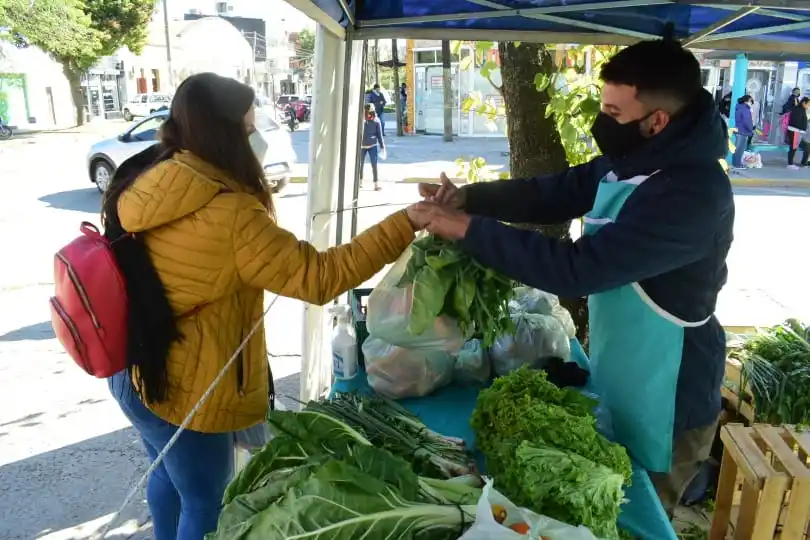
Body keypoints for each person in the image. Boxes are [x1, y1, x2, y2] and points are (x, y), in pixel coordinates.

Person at [100, 72, 428, 540]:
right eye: (249, 130)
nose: (256, 139)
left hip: (134, 370)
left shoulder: (148, 176)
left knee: (168, 479)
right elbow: (320, 278)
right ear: (223, 133)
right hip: (187, 388)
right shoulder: (231, 212)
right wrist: (407, 221)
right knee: (204, 502)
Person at [417, 38, 734, 517]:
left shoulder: (691, 193)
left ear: (657, 121)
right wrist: (471, 200)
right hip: (627, 371)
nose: (601, 121)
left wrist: (466, 230)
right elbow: (558, 192)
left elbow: (577, 269)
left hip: (669, 394)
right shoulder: (639, 159)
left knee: (636, 514)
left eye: (612, 111)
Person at [360, 103, 385, 191]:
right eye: (367, 112)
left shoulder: (376, 121)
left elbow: (380, 135)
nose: (369, 114)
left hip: (372, 145)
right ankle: (360, 181)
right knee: (360, 164)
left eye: (370, 112)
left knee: (374, 164)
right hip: (361, 146)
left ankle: (376, 183)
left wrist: (382, 147)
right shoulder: (361, 120)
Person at [786, 96, 810, 169]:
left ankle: (804, 162)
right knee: (793, 148)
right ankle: (790, 164)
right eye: (808, 104)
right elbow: (795, 122)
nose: (809, 106)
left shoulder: (802, 110)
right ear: (803, 103)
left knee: (807, 146)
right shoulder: (797, 109)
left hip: (800, 133)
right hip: (795, 132)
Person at [732, 95, 754, 169]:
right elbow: (746, 121)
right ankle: (738, 165)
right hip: (743, 131)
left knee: (737, 149)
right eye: (751, 101)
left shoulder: (740, 107)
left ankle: (735, 163)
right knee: (740, 149)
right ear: (746, 101)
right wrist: (751, 128)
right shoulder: (745, 109)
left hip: (739, 130)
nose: (751, 103)